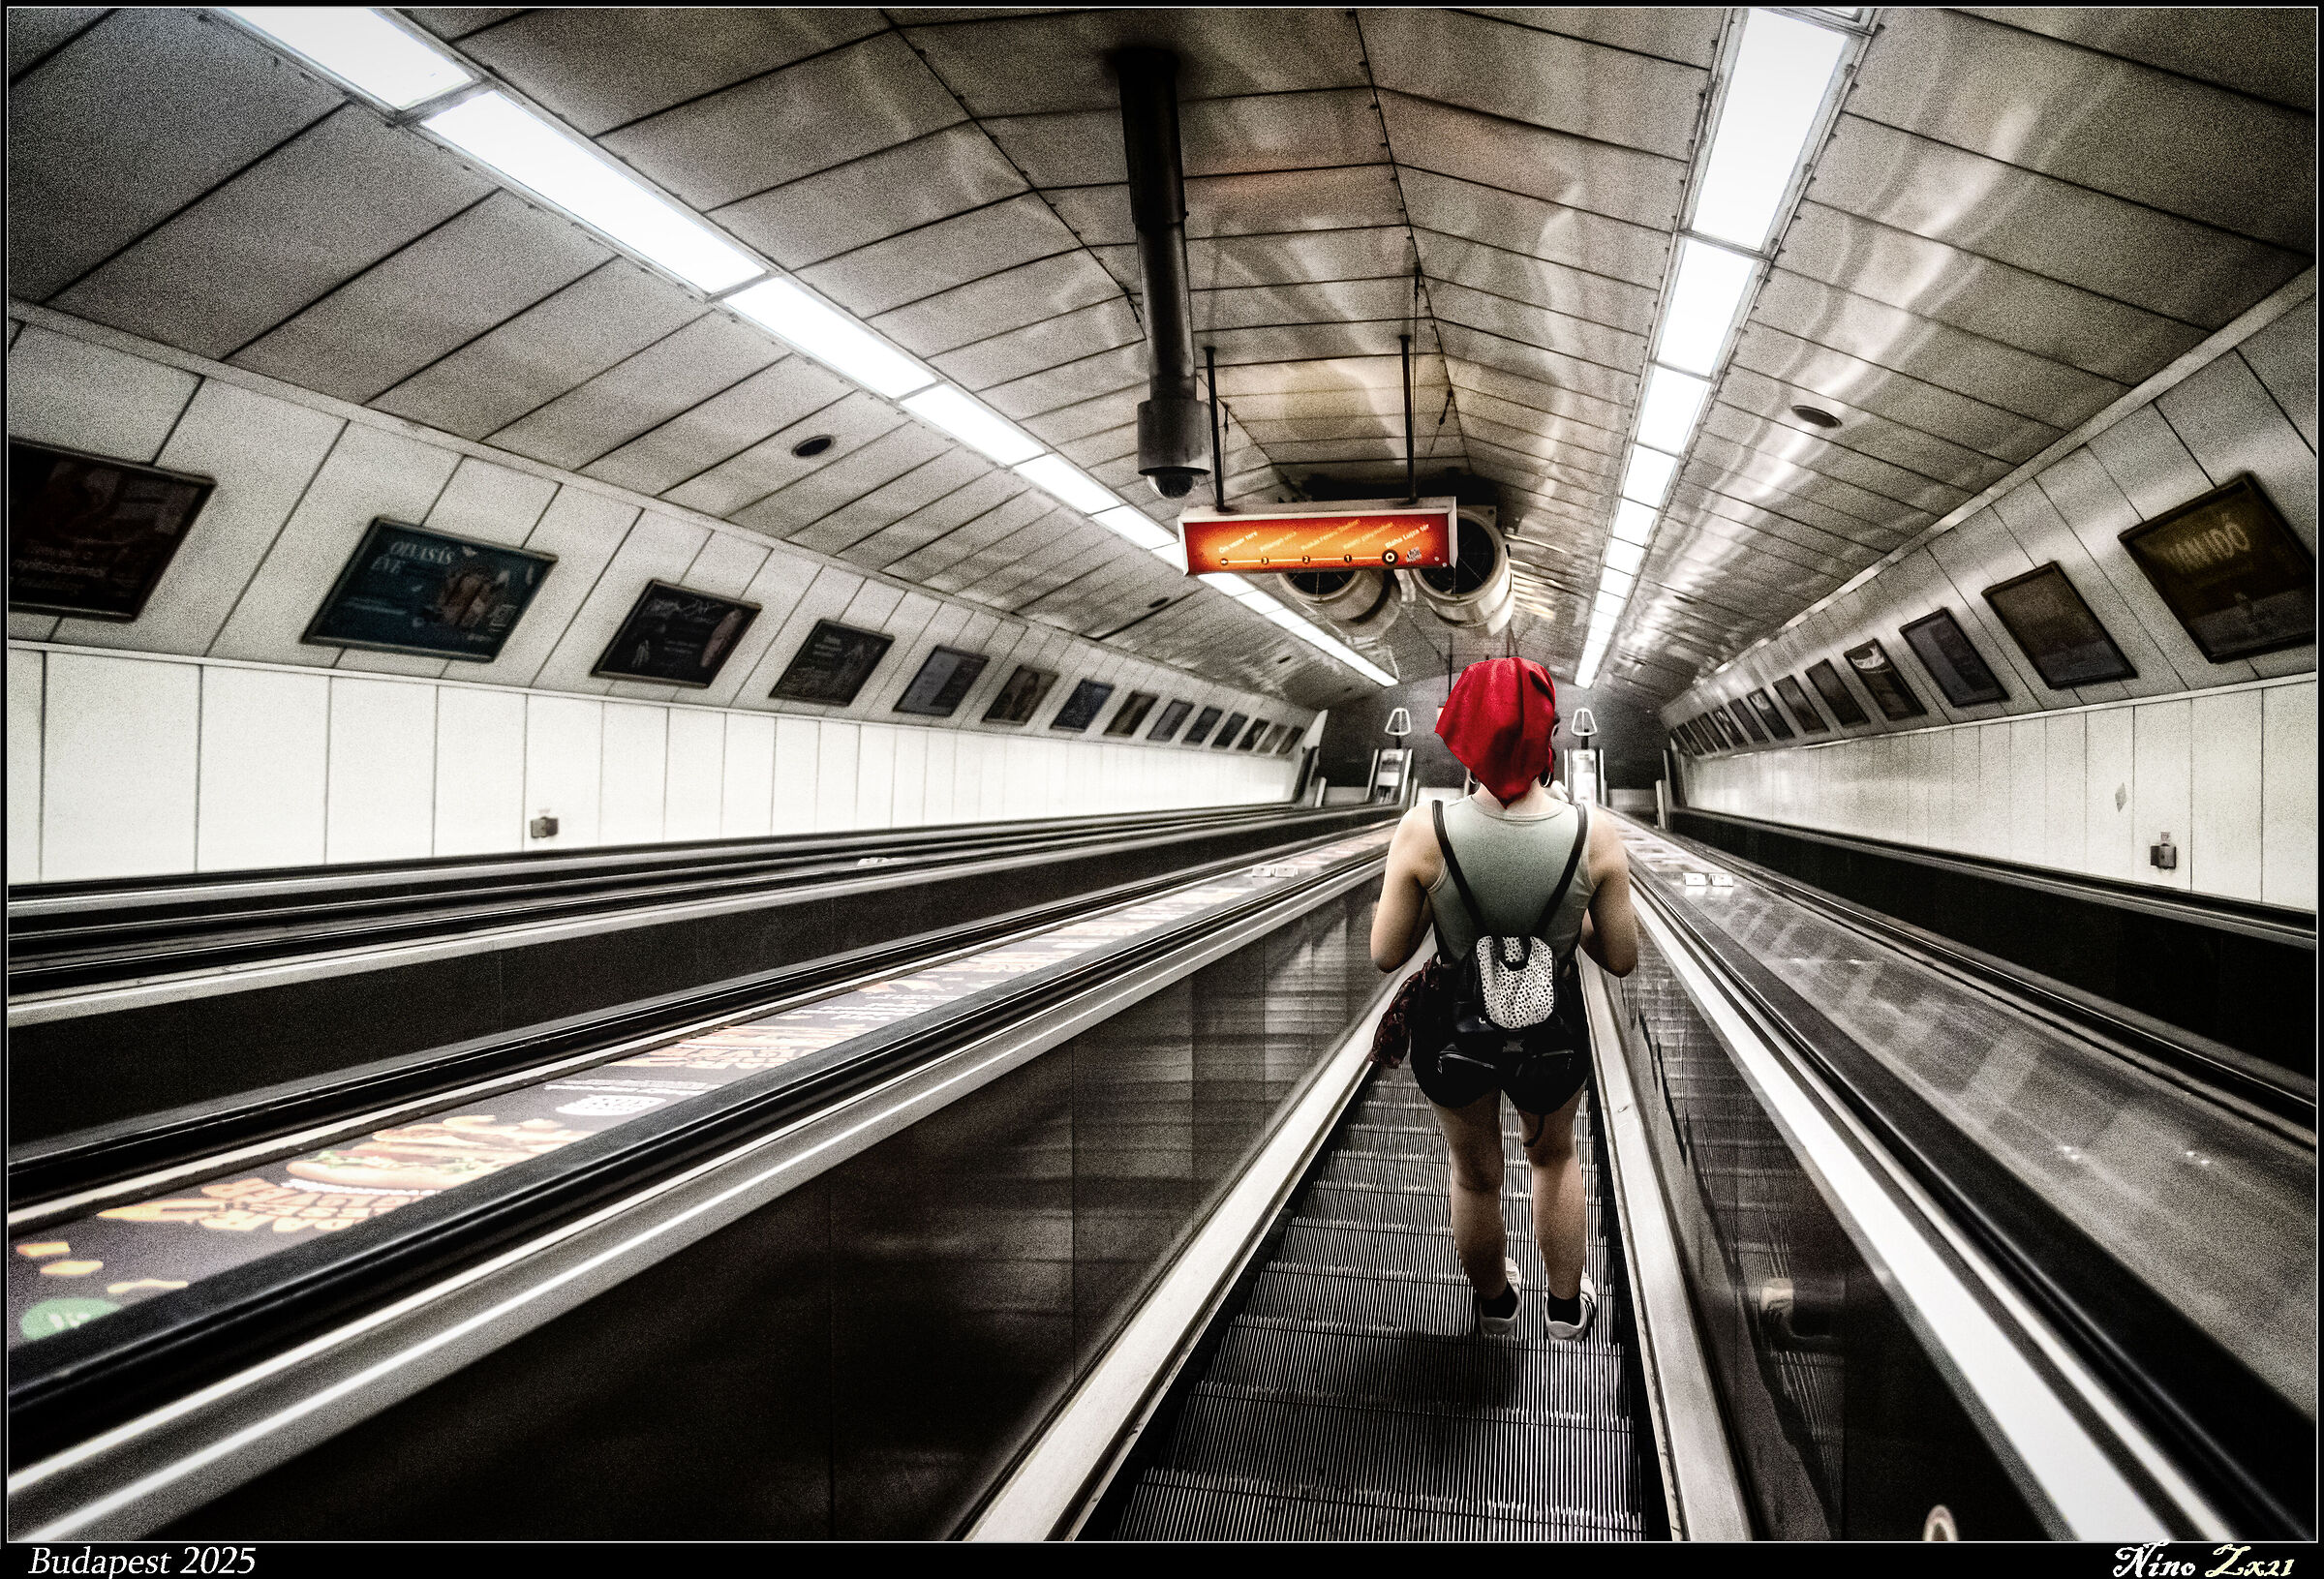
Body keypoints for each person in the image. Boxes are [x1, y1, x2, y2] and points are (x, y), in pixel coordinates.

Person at [1368, 657, 1638, 1341]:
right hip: (1552, 1030)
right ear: (1547, 735)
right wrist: (1563, 916)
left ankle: (1495, 1307)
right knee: (1554, 1158)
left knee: (1475, 1176)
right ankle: (1568, 1309)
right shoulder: (1593, 832)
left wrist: (1449, 908)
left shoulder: (1424, 829)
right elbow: (1622, 957)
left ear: (1461, 733)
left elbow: (1386, 951)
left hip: (1456, 1032)